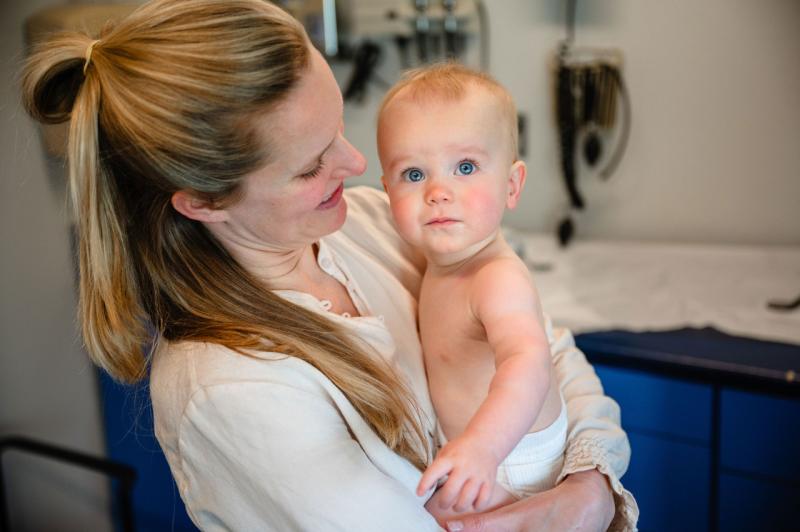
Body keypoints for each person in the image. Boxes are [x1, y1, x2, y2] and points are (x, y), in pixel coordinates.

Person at [21, 0, 637, 530]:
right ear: (205, 201)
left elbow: (551, 356)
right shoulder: (229, 391)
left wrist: (586, 494)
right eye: (311, 165)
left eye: (340, 127)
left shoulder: (366, 223)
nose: (353, 164)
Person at [378, 64, 567, 522]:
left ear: (511, 185)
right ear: (387, 191)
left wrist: (482, 446)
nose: (439, 192)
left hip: (513, 455)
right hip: (478, 446)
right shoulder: (440, 263)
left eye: (465, 167)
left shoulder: (495, 277)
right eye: (414, 174)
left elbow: (528, 362)